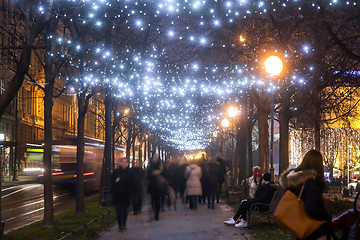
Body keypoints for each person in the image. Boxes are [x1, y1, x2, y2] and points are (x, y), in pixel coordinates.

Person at [279, 149, 332, 240]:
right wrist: (327, 217)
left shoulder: (294, 181)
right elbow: (312, 209)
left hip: (300, 228)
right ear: (317, 164)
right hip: (314, 230)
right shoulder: (309, 183)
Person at [112, 157, 133, 232]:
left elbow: (132, 182)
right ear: (120, 163)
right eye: (123, 162)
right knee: (118, 211)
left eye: (125, 162)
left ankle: (123, 223)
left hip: (126, 195)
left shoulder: (130, 172)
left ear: (127, 164)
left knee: (124, 210)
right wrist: (115, 181)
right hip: (118, 194)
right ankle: (119, 224)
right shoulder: (116, 171)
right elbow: (111, 181)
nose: (124, 164)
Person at [147, 153, 167, 221]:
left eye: (156, 156)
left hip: (159, 185)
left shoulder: (161, 165)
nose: (155, 158)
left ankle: (157, 214)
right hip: (152, 185)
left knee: (158, 200)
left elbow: (165, 174)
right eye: (154, 157)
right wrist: (152, 174)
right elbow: (147, 175)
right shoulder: (150, 165)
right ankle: (154, 210)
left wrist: (159, 172)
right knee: (152, 201)